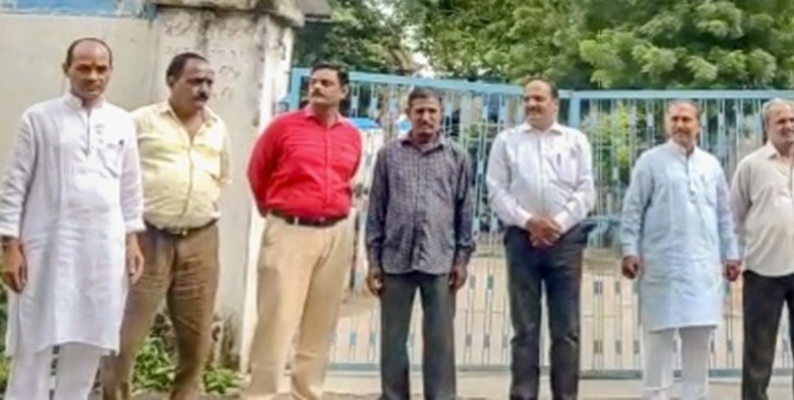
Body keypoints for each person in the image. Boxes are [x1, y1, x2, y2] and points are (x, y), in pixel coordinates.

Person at [0, 37, 145, 399]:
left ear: (110, 72)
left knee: (89, 341)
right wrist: (9, 246)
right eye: (83, 68)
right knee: (34, 340)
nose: (92, 76)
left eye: (101, 69)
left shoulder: (122, 122)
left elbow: (130, 187)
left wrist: (132, 240)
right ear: (66, 70)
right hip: (45, 247)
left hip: (102, 250)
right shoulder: (39, 118)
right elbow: (14, 184)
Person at [100, 52, 231, 400]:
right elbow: (112, 175)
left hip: (201, 239)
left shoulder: (217, 127)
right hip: (147, 238)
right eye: (195, 81)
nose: (203, 89)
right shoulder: (140, 122)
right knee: (124, 338)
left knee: (196, 340)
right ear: (171, 82)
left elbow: (223, 177)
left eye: (209, 82)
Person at [244, 62, 364, 400]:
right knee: (277, 321)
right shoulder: (283, 127)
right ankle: (260, 395)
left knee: (320, 323)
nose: (317, 87)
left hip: (336, 234)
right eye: (313, 82)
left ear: (343, 91)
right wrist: (276, 213)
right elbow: (257, 172)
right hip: (290, 231)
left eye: (326, 83)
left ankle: (307, 393)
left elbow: (348, 176)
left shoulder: (351, 135)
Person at [619, 100, 740, 400]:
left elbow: (724, 214)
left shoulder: (711, 165)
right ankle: (655, 396)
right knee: (658, 339)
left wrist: (732, 253)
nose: (680, 125)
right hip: (662, 266)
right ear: (666, 124)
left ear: (698, 125)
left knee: (698, 340)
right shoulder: (650, 162)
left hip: (703, 268)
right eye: (674, 119)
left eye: (686, 119)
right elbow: (633, 209)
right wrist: (629, 249)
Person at [486, 77, 595, 400]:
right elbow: (496, 190)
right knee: (525, 329)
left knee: (566, 330)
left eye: (538, 99)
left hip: (566, 242)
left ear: (555, 103)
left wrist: (556, 225)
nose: (532, 105)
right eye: (527, 99)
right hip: (522, 241)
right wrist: (529, 222)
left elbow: (586, 190)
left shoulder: (575, 141)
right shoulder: (506, 141)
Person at [366, 88, 475, 400]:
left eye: (432, 111)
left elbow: (465, 210)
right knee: (393, 339)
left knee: (440, 340)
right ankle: (393, 395)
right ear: (409, 114)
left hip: (440, 260)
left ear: (441, 115)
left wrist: (462, 259)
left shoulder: (457, 156)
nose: (426, 117)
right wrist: (373, 260)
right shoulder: (389, 155)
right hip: (395, 258)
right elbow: (377, 209)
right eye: (419, 111)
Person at [730, 99, 794, 399]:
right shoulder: (751, 166)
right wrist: (736, 254)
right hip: (764, 269)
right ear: (767, 127)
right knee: (758, 350)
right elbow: (735, 214)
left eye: (792, 120)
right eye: (781, 121)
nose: (788, 126)